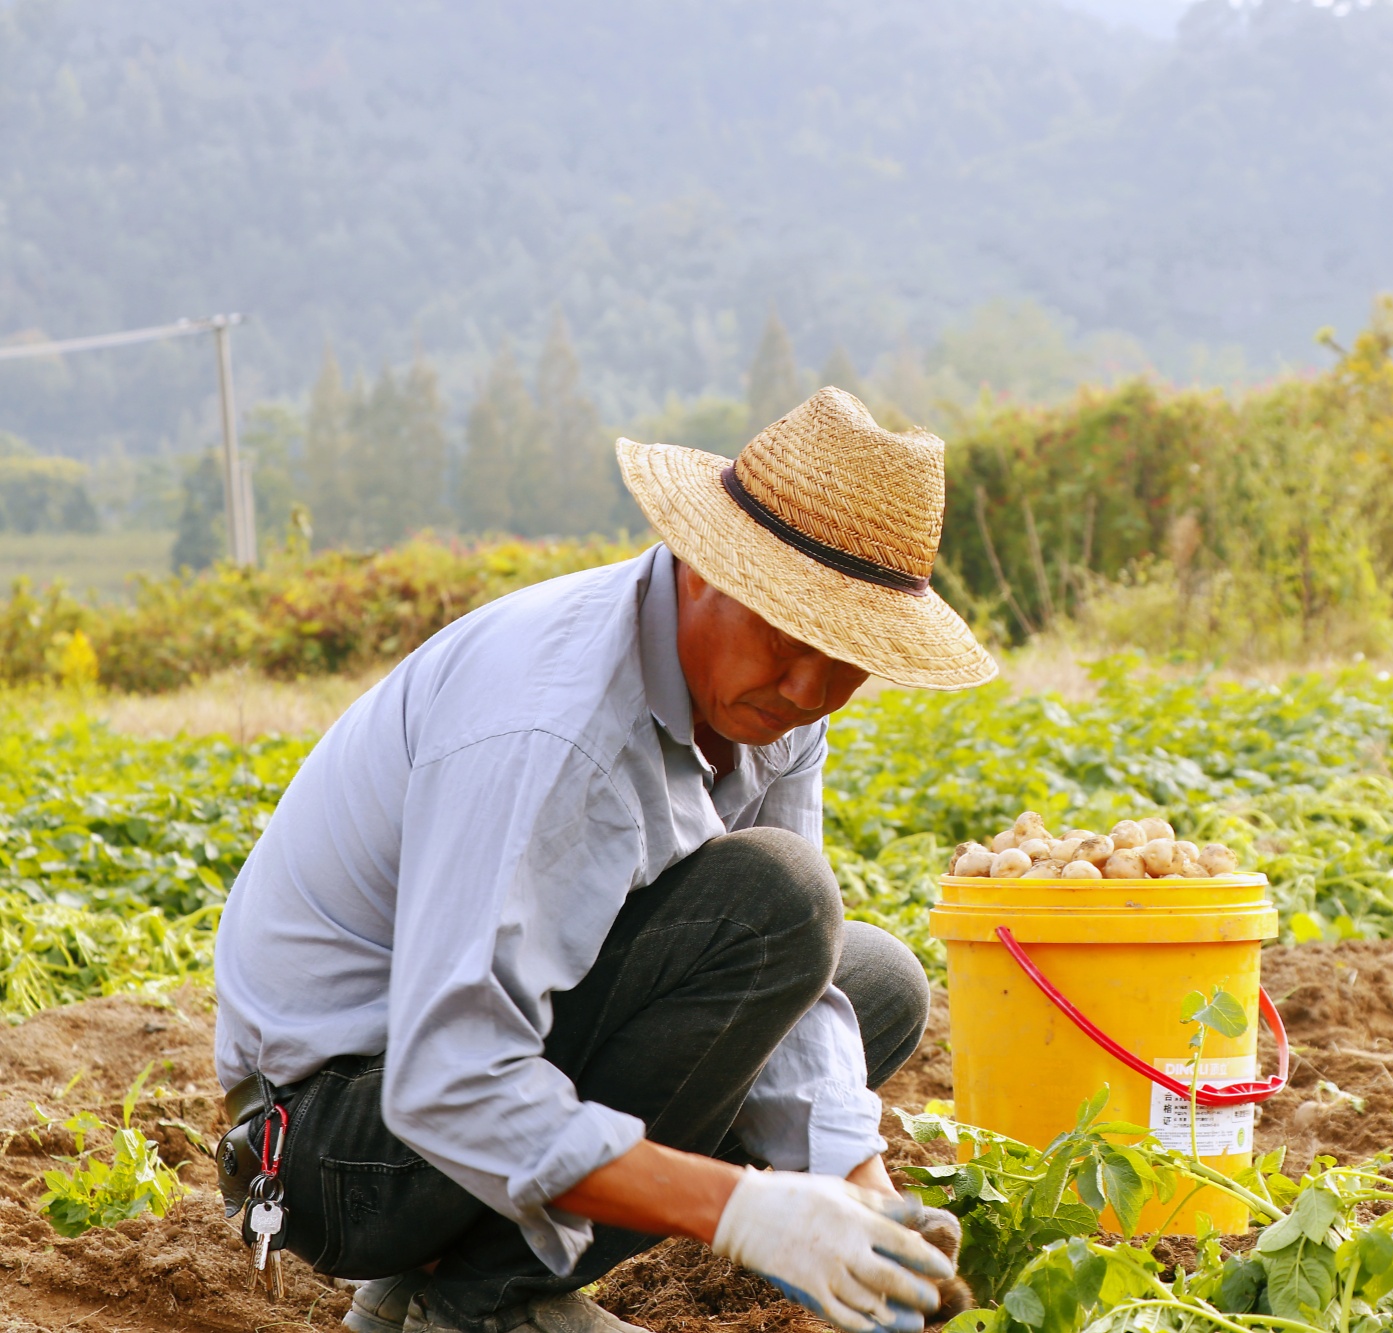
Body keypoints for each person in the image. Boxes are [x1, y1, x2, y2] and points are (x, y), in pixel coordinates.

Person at [210, 388, 997, 1333]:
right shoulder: (552, 724)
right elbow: (446, 1073)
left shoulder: (777, 705)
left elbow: (795, 990)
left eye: (846, 661)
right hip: (333, 1145)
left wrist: (856, 1187)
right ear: (706, 566)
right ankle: (476, 1310)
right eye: (788, 636)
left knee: (873, 982)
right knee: (776, 903)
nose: (807, 689)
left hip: (446, 1095)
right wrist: (744, 1214)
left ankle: (443, 1295)